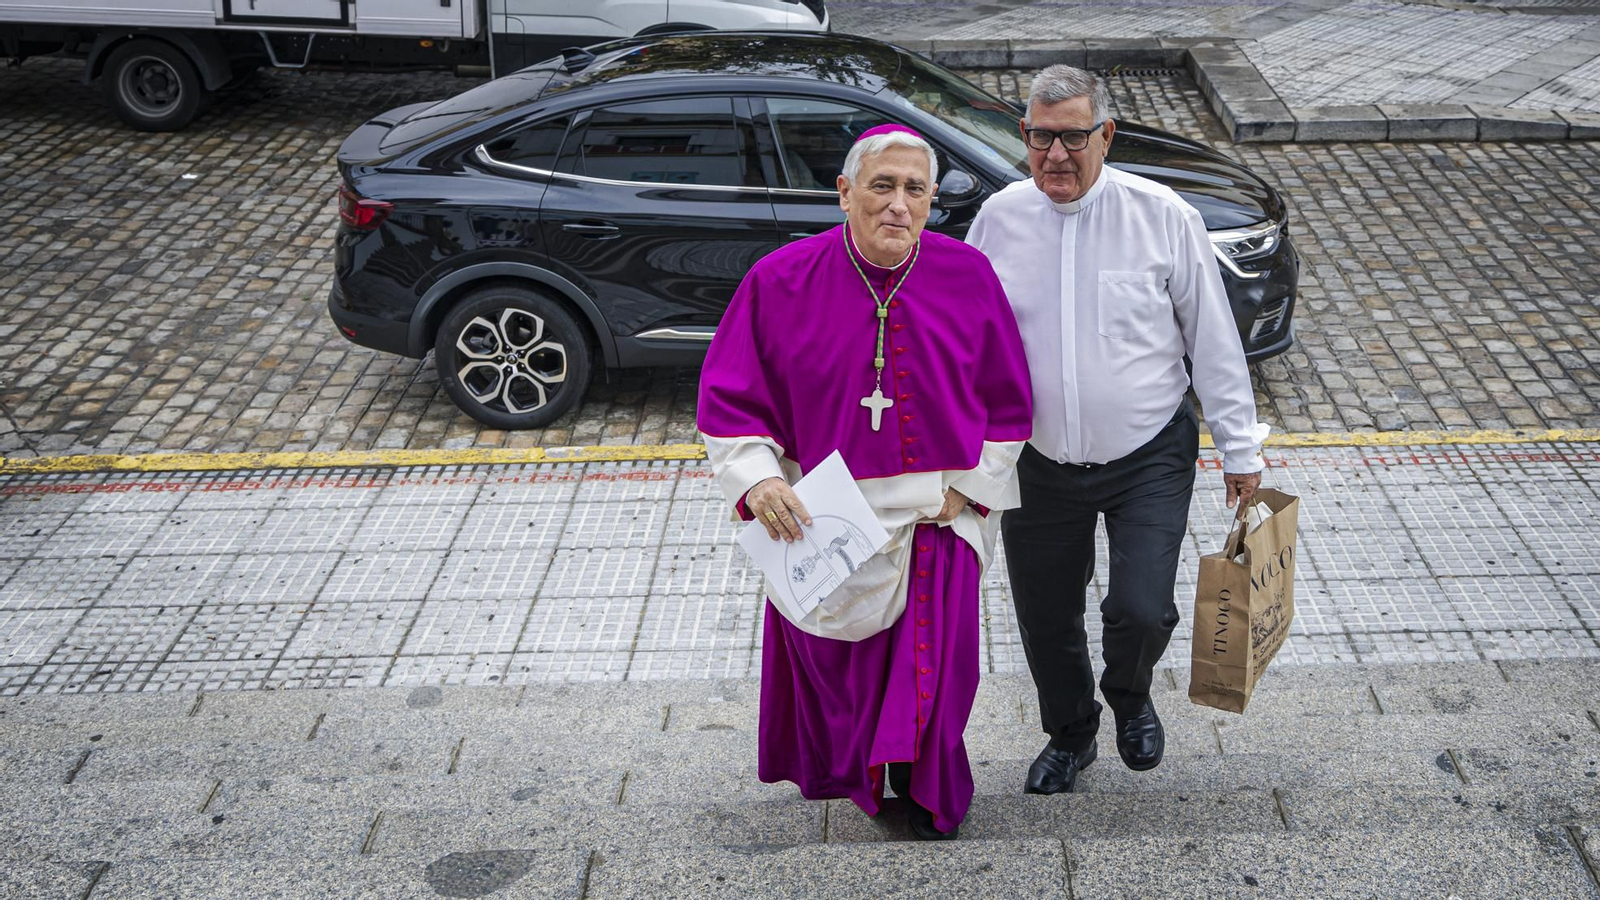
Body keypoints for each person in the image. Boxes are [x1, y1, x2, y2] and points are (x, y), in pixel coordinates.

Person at [697, 124, 1033, 840]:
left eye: (916, 190)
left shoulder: (967, 277)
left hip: (936, 515)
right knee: (843, 675)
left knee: (935, 678)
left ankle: (925, 786)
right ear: (845, 192)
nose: (899, 206)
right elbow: (730, 401)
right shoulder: (780, 280)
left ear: (934, 199)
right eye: (882, 186)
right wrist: (757, 480)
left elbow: (1009, 402)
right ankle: (861, 775)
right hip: (826, 520)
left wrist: (969, 488)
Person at [966, 65, 1269, 795]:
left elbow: (1213, 337)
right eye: (1041, 137)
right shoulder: (1000, 218)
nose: (1056, 156)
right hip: (1036, 460)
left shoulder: (1163, 214)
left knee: (1141, 608)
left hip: (1148, 453)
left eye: (1073, 136)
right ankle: (1071, 734)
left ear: (1106, 134)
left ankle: (1129, 696)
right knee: (1045, 614)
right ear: (1025, 136)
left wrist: (1240, 448)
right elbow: (963, 335)